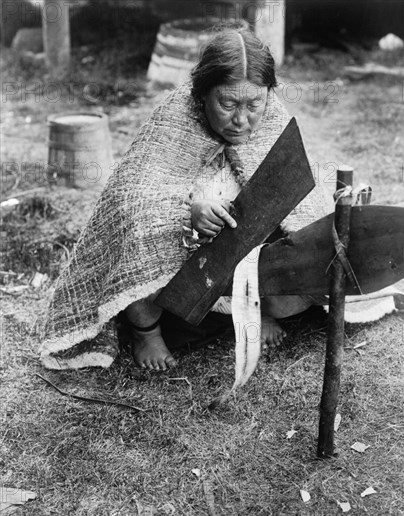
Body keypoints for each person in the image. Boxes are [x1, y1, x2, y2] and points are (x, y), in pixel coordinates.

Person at [40, 28, 332, 372]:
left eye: (254, 104)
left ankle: (260, 311)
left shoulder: (270, 120)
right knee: (138, 242)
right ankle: (147, 333)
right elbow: (132, 201)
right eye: (227, 104)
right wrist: (188, 213)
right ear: (202, 95)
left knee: (303, 273)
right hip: (181, 268)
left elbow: (302, 204)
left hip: (247, 266)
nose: (242, 119)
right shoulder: (174, 124)